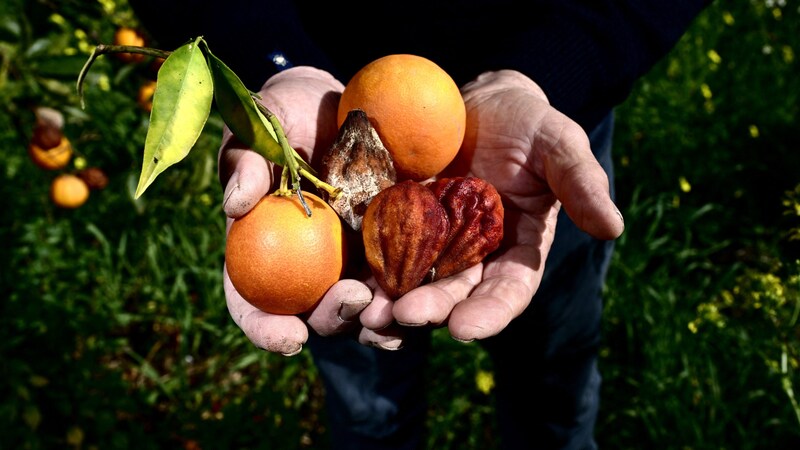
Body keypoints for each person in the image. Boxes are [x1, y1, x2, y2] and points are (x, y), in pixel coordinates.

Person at [131, 1, 712, 448]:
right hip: (323, 167)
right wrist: (272, 60)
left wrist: (552, 72)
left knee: (553, 382)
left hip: (536, 141)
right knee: (370, 406)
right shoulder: (343, 208)